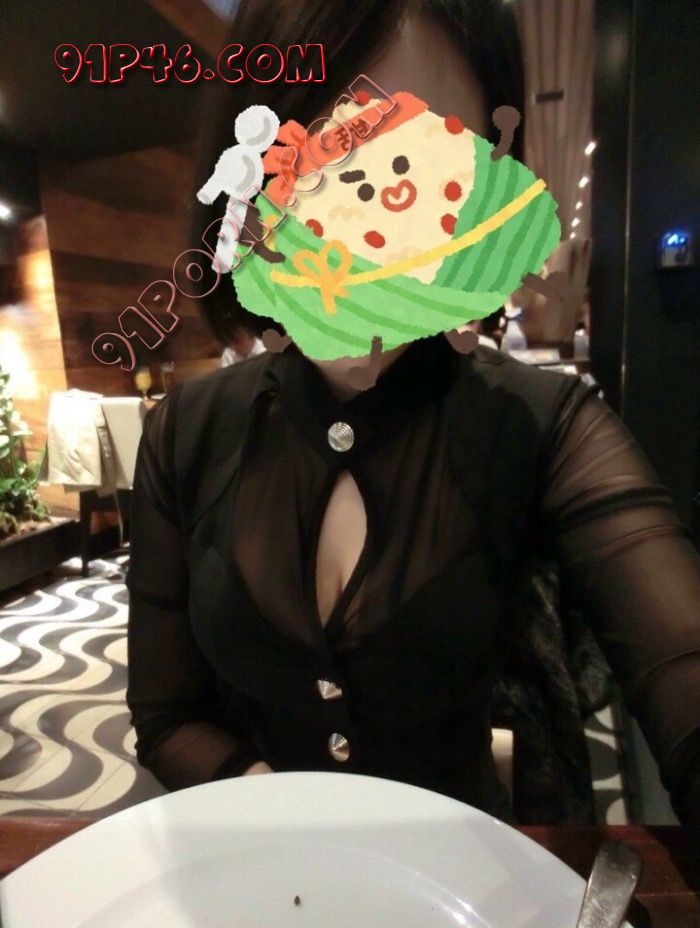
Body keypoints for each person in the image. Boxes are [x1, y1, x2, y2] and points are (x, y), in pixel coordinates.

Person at [126, 0, 700, 836]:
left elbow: (682, 664)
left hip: (461, 879)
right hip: (263, 867)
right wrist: (286, 816)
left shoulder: (541, 423)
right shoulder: (186, 431)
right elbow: (166, 714)